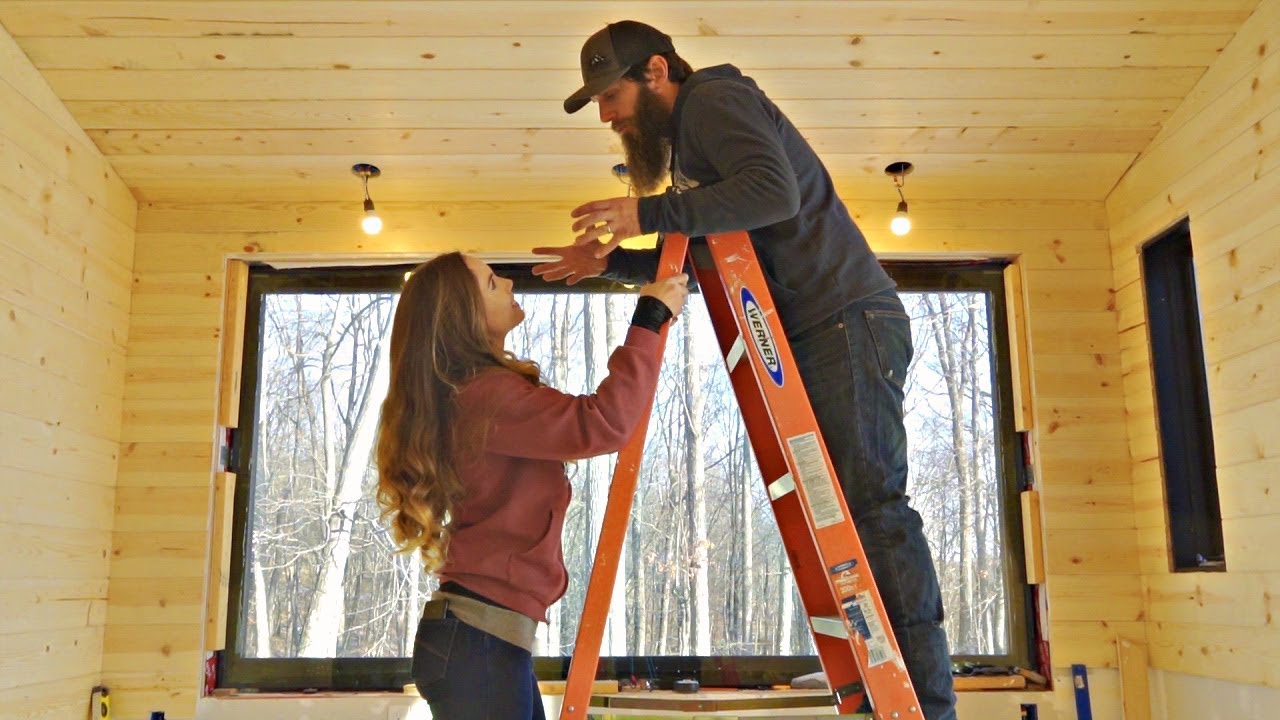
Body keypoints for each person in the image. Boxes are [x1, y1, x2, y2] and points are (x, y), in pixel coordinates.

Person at [532, 20, 957, 720]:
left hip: (843, 318)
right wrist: (616, 264)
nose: (606, 116)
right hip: (822, 327)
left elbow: (772, 192)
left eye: (611, 96)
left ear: (656, 72)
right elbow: (708, 249)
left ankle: (925, 706)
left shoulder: (713, 100)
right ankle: (889, 695)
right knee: (849, 517)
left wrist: (645, 212)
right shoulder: (692, 149)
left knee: (874, 512)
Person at [376, 252, 688, 719]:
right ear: (465, 316)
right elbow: (602, 423)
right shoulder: (485, 396)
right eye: (491, 282)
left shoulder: (480, 392)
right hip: (479, 642)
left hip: (483, 640)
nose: (507, 283)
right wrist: (648, 320)